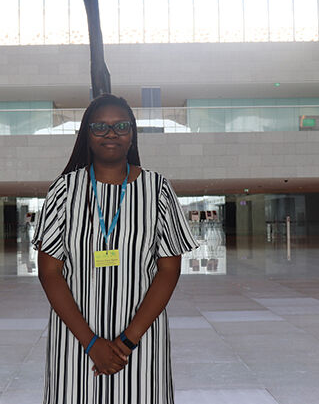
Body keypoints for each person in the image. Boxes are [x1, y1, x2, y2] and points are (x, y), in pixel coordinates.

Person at [32, 94, 198, 404]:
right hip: (76, 343)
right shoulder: (64, 191)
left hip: (141, 342)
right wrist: (92, 343)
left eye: (121, 126)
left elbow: (169, 270)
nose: (111, 133)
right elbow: (49, 272)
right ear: (87, 134)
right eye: (101, 127)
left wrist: (127, 340)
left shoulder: (157, 189)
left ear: (133, 133)